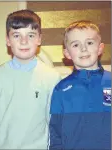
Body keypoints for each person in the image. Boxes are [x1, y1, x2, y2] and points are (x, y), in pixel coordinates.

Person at [0, 9, 61, 149]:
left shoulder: (52, 77)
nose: (24, 41)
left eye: (31, 35)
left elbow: (54, 124)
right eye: (16, 35)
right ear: (7, 40)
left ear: (39, 39)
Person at [48, 20, 111, 150]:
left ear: (100, 48)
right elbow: (55, 134)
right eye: (76, 45)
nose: (83, 48)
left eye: (89, 43)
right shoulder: (61, 89)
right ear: (67, 54)